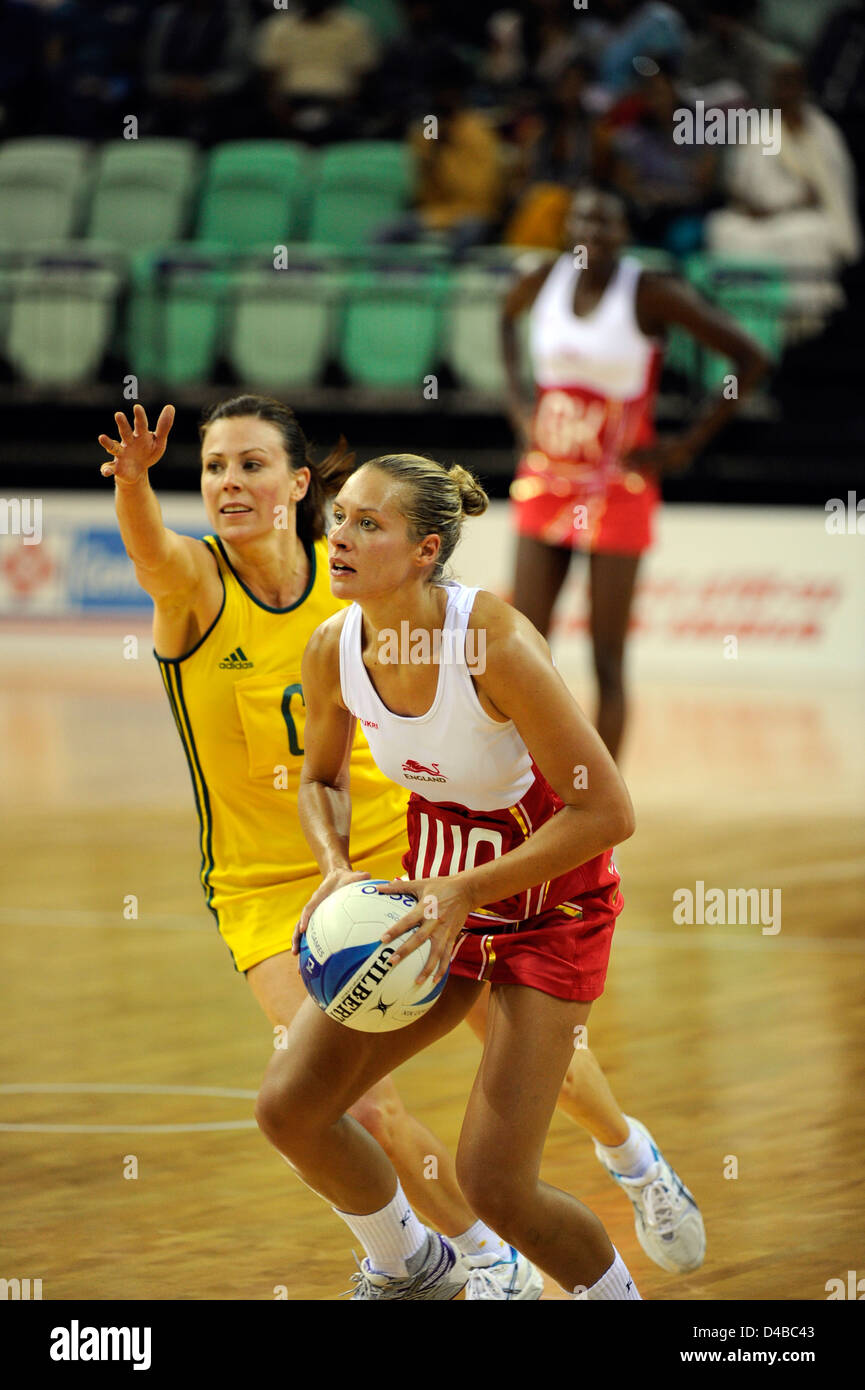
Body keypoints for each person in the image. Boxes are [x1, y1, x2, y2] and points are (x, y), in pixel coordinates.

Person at [98, 394, 542, 1299]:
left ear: (298, 485)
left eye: (250, 464)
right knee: (348, 1099)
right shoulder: (196, 582)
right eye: (214, 465)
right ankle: (458, 1261)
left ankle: (632, 1156)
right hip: (269, 888)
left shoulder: (348, 580)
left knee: (539, 1058)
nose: (228, 481)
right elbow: (148, 551)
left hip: (395, 856)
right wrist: (135, 484)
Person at [256, 451, 655, 1300]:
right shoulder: (333, 648)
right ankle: (414, 1267)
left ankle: (624, 1239)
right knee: (289, 1107)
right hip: (433, 900)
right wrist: (334, 866)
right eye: (339, 517)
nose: (340, 536)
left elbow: (607, 814)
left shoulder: (494, 644)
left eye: (370, 523)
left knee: (495, 1184)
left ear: (426, 551)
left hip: (554, 904)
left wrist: (468, 890)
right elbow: (321, 779)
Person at [503, 185, 771, 761]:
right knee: (520, 648)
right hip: (546, 478)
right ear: (567, 227)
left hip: (618, 488)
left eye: (606, 224)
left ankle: (599, 811)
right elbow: (502, 319)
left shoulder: (648, 292)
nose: (592, 234)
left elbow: (750, 357)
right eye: (583, 221)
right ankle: (521, 791)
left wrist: (687, 443)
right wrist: (516, 406)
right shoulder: (540, 279)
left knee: (607, 660)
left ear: (625, 234)